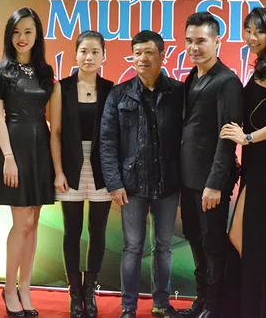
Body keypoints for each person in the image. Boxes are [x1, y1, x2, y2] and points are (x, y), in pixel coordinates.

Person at [100, 31, 184, 318]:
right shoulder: (119, 94)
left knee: (163, 246)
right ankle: (129, 307)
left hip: (167, 182)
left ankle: (161, 303)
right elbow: (107, 142)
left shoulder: (178, 92)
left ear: (162, 55)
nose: (142, 58)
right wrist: (114, 183)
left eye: (149, 52)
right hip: (131, 185)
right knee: (133, 247)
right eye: (137, 53)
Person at [219, 7, 266, 318]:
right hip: (253, 164)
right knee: (247, 239)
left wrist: (247, 138)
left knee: (249, 238)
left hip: (265, 165)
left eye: (258, 31)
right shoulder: (261, 68)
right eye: (247, 30)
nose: (251, 37)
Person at [0, 8, 55, 318]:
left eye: (28, 31)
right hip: (14, 147)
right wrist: (8, 157)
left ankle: (25, 287)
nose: (22, 38)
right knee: (21, 223)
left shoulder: (45, 71)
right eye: (16, 32)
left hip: (41, 148)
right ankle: (8, 288)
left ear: (37, 34)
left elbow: (53, 117)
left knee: (34, 222)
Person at [178, 12, 243, 318]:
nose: (194, 47)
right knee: (195, 239)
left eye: (201, 41)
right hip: (188, 178)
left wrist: (215, 184)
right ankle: (202, 300)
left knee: (213, 244)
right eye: (189, 41)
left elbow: (227, 138)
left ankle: (216, 307)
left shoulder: (227, 82)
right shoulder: (191, 77)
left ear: (217, 41)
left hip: (211, 183)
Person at [49, 31, 114, 318]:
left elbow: (114, 136)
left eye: (95, 52)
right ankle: (74, 293)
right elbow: (55, 133)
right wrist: (58, 171)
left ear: (103, 56)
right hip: (71, 164)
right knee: (72, 231)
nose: (89, 57)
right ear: (75, 54)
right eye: (84, 51)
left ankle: (90, 292)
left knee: (98, 231)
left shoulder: (111, 89)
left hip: (101, 167)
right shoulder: (61, 88)